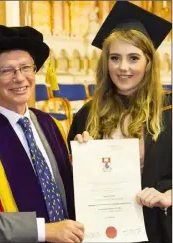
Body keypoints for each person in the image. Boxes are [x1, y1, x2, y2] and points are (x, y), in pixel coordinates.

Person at [0, 25, 84, 243]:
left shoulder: (50, 124)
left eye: (26, 68)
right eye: (7, 71)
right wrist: (42, 230)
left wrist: (90, 160)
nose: (20, 78)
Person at [68, 1, 172, 243]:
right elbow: (74, 185)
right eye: (115, 58)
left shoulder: (169, 111)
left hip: (160, 228)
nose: (123, 67)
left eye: (133, 58)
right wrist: (80, 157)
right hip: (102, 231)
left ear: (148, 64)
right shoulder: (87, 116)